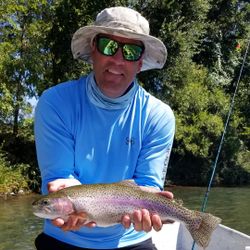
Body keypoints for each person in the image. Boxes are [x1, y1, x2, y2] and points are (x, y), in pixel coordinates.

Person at [34, 6, 175, 250]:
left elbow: (148, 184)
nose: (118, 59)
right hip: (63, 238)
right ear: (93, 50)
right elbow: (59, 175)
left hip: (132, 239)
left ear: (140, 63)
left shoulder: (159, 116)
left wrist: (150, 207)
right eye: (109, 46)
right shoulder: (55, 102)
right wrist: (64, 190)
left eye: (131, 50)